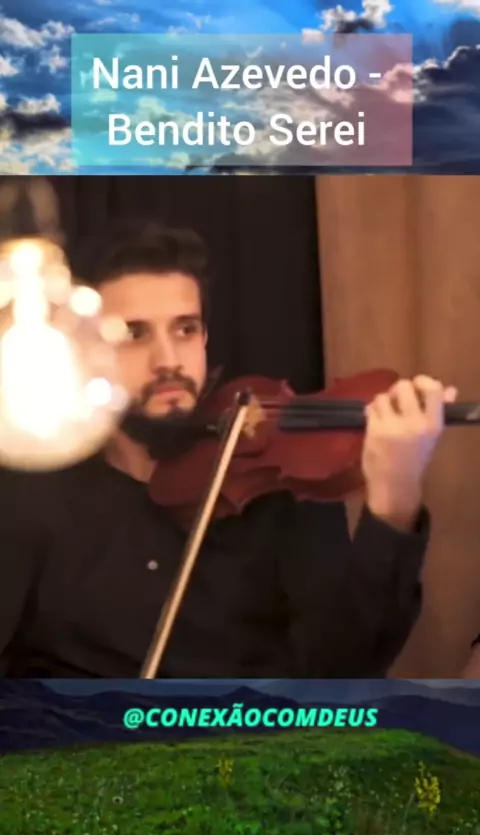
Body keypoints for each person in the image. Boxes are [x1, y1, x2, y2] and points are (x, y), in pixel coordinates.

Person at [0, 221, 457, 679]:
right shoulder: (30, 493)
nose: (169, 361)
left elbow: (344, 671)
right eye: (134, 334)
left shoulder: (281, 480)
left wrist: (394, 500)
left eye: (185, 329)